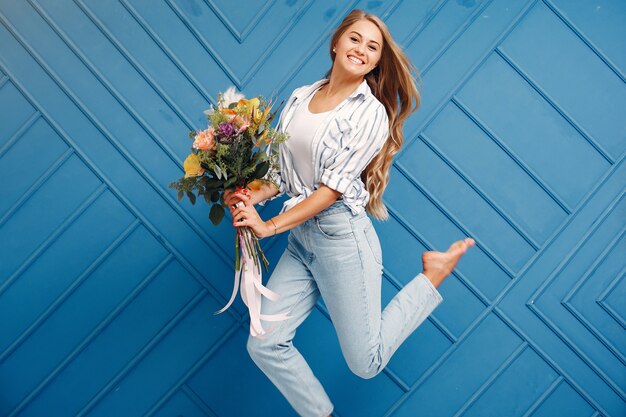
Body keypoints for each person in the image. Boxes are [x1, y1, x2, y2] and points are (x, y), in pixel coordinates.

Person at [223, 9, 475, 417]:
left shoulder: (369, 113)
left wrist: (268, 226)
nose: (362, 49)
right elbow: (280, 173)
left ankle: (433, 274)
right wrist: (249, 195)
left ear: (376, 61)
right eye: (355, 39)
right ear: (336, 43)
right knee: (264, 342)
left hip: (342, 241)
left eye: (372, 47)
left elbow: (330, 191)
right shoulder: (301, 97)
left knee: (366, 363)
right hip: (303, 239)